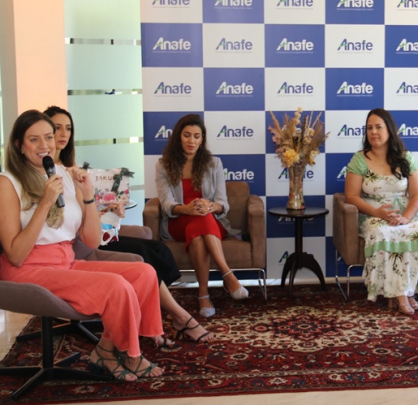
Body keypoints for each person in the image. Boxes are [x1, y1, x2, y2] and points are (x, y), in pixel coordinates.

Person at [0, 109, 164, 381]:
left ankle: (106, 350)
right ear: (18, 145)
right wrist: (45, 203)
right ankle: (131, 355)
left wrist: (87, 194)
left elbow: (91, 241)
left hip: (65, 261)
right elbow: (15, 255)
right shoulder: (8, 182)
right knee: (115, 286)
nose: (45, 145)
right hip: (27, 268)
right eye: (34, 139)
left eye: (48, 137)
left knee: (144, 273)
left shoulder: (63, 174)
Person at [45, 106, 214, 343]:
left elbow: (84, 213)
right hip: (76, 244)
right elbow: (61, 218)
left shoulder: (72, 170)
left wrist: (109, 211)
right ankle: (179, 318)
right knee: (143, 256)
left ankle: (156, 317)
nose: (63, 134)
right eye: (57, 128)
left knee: (157, 249)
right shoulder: (47, 175)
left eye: (68, 128)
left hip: (90, 234)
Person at [344, 108, 418, 315]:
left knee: (417, 230)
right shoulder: (359, 159)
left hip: (405, 213)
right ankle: (402, 295)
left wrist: (405, 217)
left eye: (378, 127)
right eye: (369, 128)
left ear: (390, 130)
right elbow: (351, 197)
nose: (373, 132)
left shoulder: (406, 158)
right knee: (383, 232)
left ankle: (403, 292)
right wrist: (377, 212)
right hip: (373, 214)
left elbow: (417, 195)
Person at [155, 113, 248, 318]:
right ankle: (228, 275)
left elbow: (223, 203)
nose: (191, 141)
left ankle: (203, 295)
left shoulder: (214, 163)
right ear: (178, 137)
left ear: (202, 139)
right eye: (187, 135)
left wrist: (210, 206)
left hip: (209, 220)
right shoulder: (163, 165)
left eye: (196, 136)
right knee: (199, 220)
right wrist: (186, 209)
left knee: (199, 228)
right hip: (178, 220)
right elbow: (166, 203)